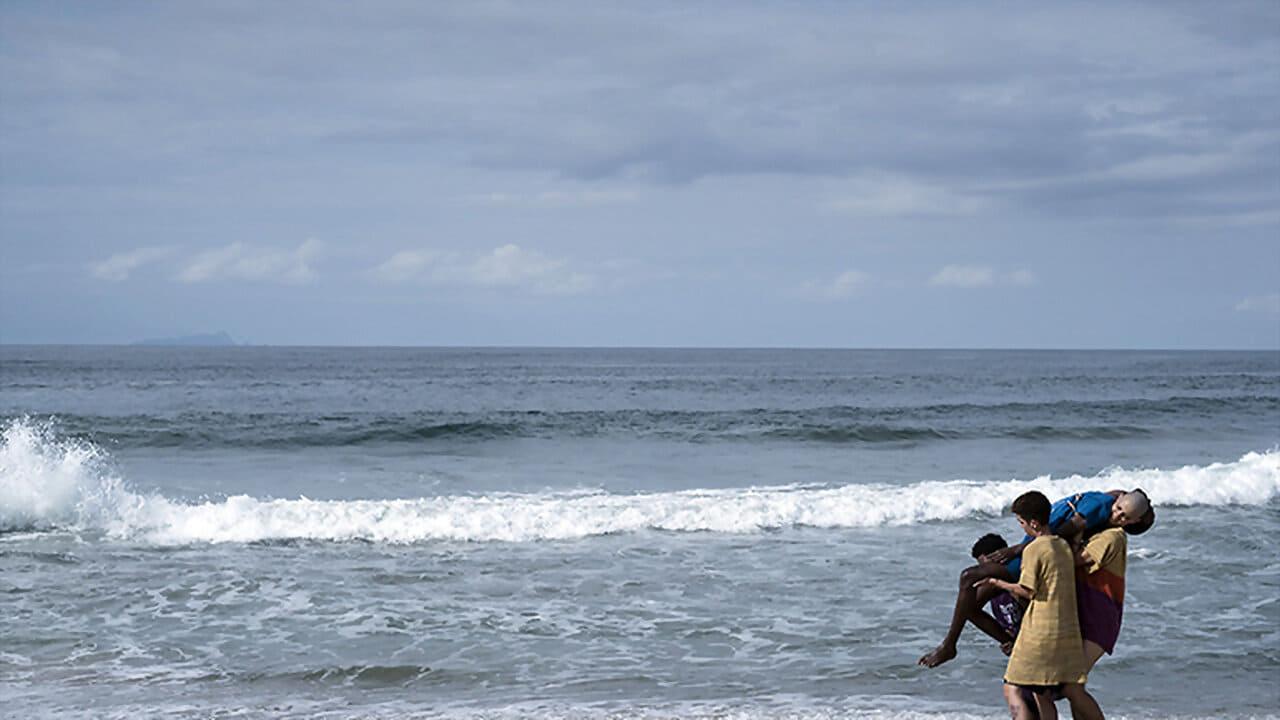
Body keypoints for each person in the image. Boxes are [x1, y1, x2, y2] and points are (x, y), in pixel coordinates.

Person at [918, 489, 1151, 669]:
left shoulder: (1104, 515)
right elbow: (1067, 530)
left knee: (968, 578)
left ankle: (949, 646)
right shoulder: (1101, 503)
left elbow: (1064, 530)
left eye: (1125, 516)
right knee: (967, 604)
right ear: (1119, 497)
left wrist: (1017, 549)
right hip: (1030, 552)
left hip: (1031, 556)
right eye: (1119, 508)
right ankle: (1006, 642)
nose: (1117, 514)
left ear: (1132, 521)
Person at [975, 491, 1105, 720]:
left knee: (1014, 685)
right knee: (1044, 691)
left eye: (1021, 522)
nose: (1022, 528)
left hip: (1040, 630)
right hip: (1066, 629)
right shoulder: (1061, 545)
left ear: (1033, 522)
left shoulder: (1034, 549)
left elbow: (1027, 590)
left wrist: (998, 583)